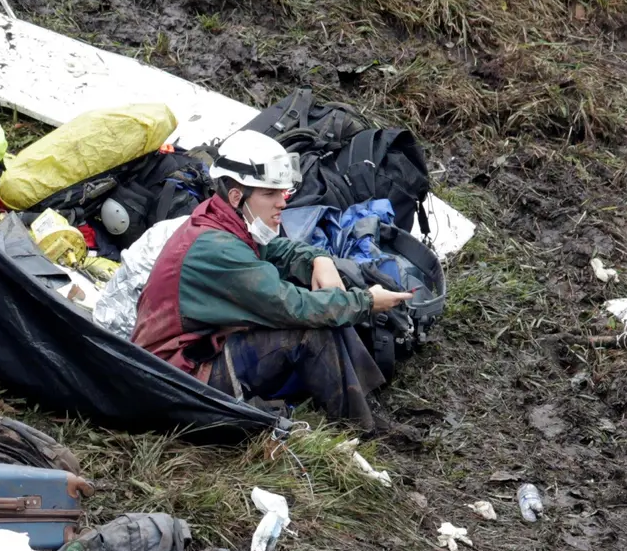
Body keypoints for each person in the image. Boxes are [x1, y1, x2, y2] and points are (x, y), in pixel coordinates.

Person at [130, 129, 414, 433]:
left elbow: (281, 250)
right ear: (238, 195)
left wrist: (319, 259)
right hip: (177, 383)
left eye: (282, 192)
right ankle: (361, 430)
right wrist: (367, 302)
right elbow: (294, 306)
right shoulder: (219, 250)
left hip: (198, 354)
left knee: (327, 308)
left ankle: (361, 402)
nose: (282, 202)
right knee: (311, 329)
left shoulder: (224, 219)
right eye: (270, 193)